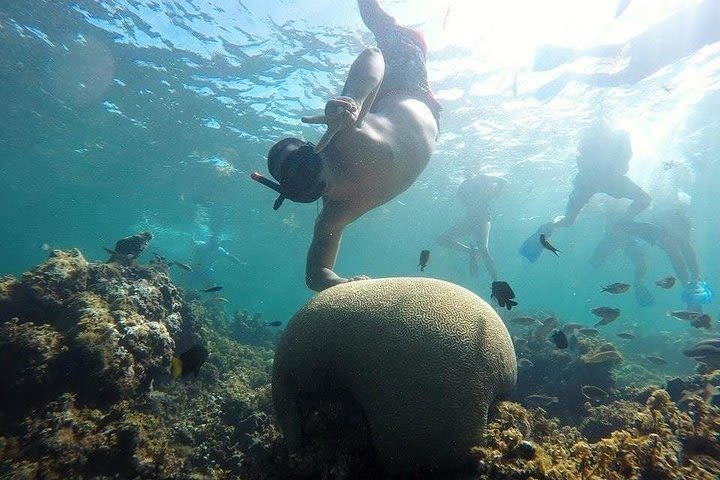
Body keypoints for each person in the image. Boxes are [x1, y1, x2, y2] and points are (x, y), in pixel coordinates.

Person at [251, 0, 441, 291]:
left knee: (382, 27)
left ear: (312, 147)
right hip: (418, 107)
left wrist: (353, 99)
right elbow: (316, 274)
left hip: (403, 77)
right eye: (291, 177)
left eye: (300, 161)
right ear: (289, 191)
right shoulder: (334, 213)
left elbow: (373, 54)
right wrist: (344, 286)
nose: (301, 173)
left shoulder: (343, 134)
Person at [532, 0, 720, 101]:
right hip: (680, 32)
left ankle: (569, 63)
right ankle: (569, 61)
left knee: (626, 62)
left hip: (681, 38)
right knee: (626, 56)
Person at [520, 121, 651, 262]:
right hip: (610, 181)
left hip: (587, 183)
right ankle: (623, 220)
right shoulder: (619, 140)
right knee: (644, 199)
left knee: (568, 221)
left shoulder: (596, 144)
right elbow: (625, 164)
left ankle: (547, 227)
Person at [438, 174, 506, 281]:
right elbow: (502, 182)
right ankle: (472, 251)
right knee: (443, 239)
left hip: (482, 218)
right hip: (469, 220)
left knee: (483, 250)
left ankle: (496, 282)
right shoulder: (469, 185)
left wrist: (491, 183)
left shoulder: (480, 180)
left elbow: (502, 181)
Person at [589, 202, 655, 307]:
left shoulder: (619, 209)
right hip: (614, 240)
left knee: (640, 261)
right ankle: (638, 282)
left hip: (623, 240)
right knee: (594, 262)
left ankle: (638, 283)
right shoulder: (613, 208)